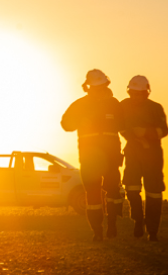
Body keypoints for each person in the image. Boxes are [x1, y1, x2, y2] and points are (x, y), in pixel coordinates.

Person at [61, 69, 124, 241]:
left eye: (101, 86)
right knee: (93, 196)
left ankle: (112, 225)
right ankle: (97, 231)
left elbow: (125, 126)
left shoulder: (114, 104)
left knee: (113, 192)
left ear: (106, 85)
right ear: (88, 87)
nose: (98, 90)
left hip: (111, 157)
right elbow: (66, 124)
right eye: (95, 87)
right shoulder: (79, 105)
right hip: (89, 159)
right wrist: (79, 121)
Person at [119, 75, 168, 241]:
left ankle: (152, 230)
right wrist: (134, 136)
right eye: (134, 93)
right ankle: (138, 219)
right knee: (131, 189)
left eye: (140, 93)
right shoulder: (123, 106)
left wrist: (146, 134)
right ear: (129, 92)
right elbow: (119, 126)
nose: (137, 97)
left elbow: (164, 130)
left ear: (147, 93)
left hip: (152, 155)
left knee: (154, 193)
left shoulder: (156, 108)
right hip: (133, 152)